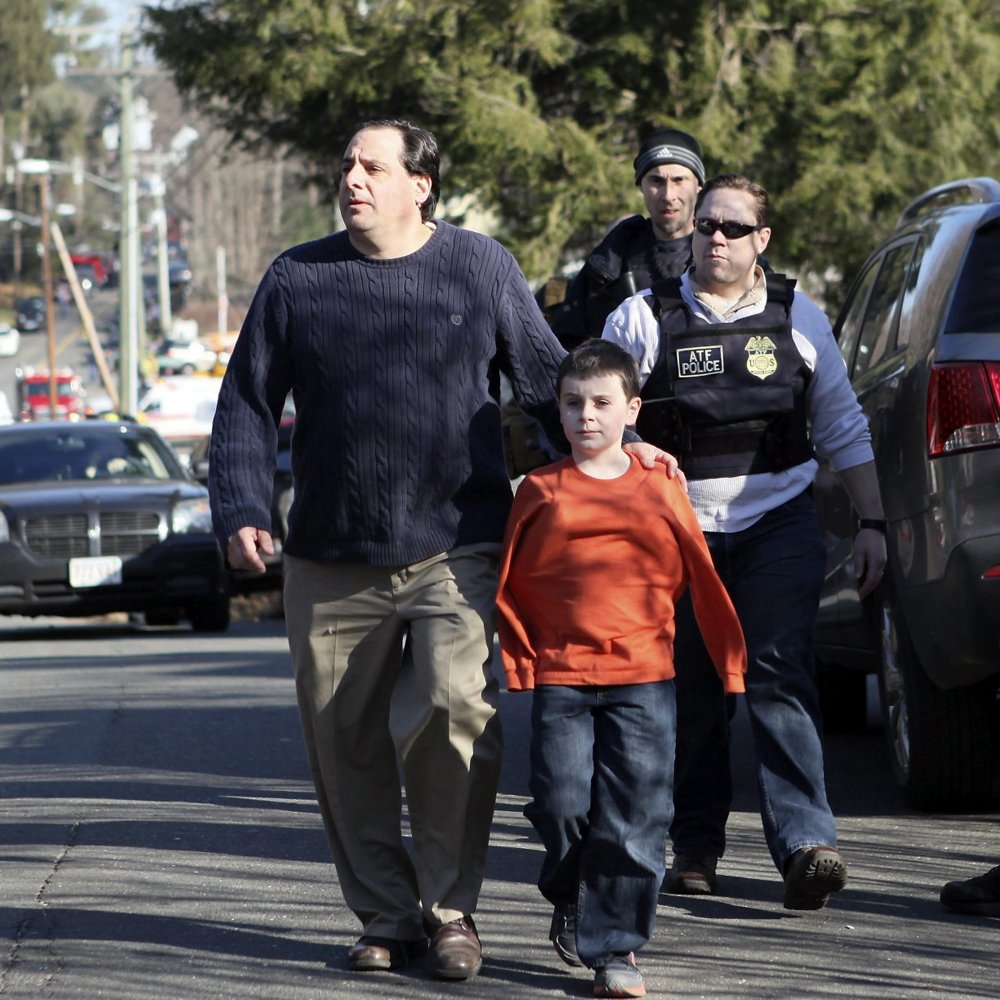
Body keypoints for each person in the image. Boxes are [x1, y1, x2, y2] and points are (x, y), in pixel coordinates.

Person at [208, 117, 673, 981]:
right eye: (346, 164)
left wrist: (616, 447)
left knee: (459, 714)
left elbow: (545, 378)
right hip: (330, 554)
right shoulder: (297, 278)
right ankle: (386, 917)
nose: (352, 178)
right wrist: (238, 503)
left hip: (457, 542)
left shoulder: (479, 266)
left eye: (371, 166)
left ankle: (452, 911)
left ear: (420, 184)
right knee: (343, 741)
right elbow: (245, 402)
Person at [603, 173, 888, 910]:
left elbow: (842, 426)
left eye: (733, 227)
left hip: (777, 524)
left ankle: (806, 844)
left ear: (762, 239)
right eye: (705, 227)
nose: (715, 239)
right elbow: (599, 419)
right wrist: (633, 446)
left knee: (779, 673)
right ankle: (695, 846)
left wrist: (875, 523)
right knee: (694, 693)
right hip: (679, 535)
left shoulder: (800, 318)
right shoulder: (641, 318)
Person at [496, 340, 746, 998]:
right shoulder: (540, 492)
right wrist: (523, 662)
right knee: (559, 804)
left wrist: (729, 664)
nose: (587, 417)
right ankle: (572, 886)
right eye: (573, 404)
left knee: (636, 815)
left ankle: (617, 950)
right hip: (564, 676)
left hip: (642, 674)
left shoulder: (660, 484)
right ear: (557, 409)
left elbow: (701, 574)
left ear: (631, 410)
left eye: (603, 404)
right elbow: (508, 587)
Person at [548, 126, 705, 350]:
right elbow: (569, 344)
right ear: (640, 185)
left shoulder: (725, 249)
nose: (668, 195)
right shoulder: (608, 264)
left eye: (679, 180)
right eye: (656, 181)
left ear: (698, 185)